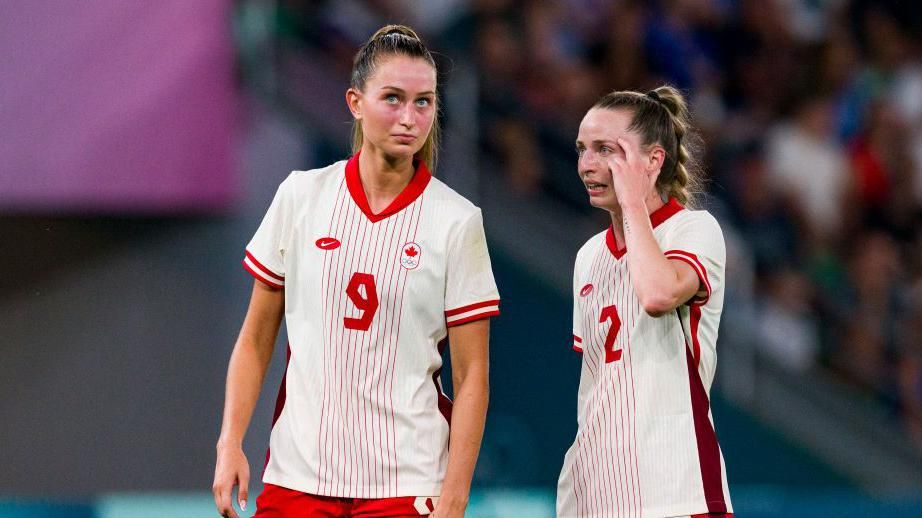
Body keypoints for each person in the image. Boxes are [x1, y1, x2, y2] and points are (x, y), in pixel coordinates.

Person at [213, 25, 500, 518]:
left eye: (424, 102)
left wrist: (455, 494)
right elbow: (257, 336)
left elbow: (472, 374)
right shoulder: (301, 196)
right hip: (299, 475)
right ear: (354, 102)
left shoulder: (457, 221)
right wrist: (229, 443)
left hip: (408, 481)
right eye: (393, 98)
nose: (410, 117)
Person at [557, 86, 733, 517]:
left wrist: (633, 201)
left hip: (675, 492)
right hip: (594, 495)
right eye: (582, 150)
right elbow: (596, 387)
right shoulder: (588, 257)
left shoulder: (693, 229)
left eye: (606, 150)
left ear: (653, 161)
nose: (587, 165)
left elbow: (657, 294)